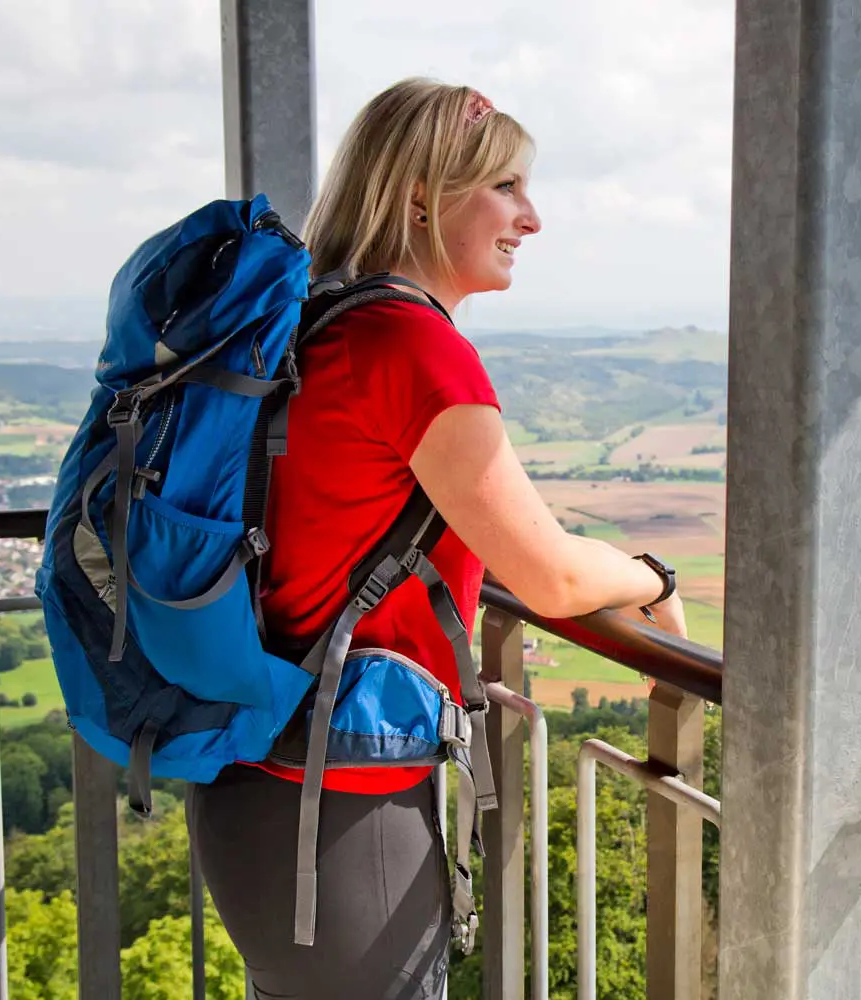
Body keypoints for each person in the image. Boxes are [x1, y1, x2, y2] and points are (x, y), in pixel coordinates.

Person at [186, 77, 687, 1000]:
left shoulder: (311, 319)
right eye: (506, 187)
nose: (530, 219)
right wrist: (651, 579)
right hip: (339, 815)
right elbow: (546, 574)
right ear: (421, 196)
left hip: (256, 776)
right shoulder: (410, 346)